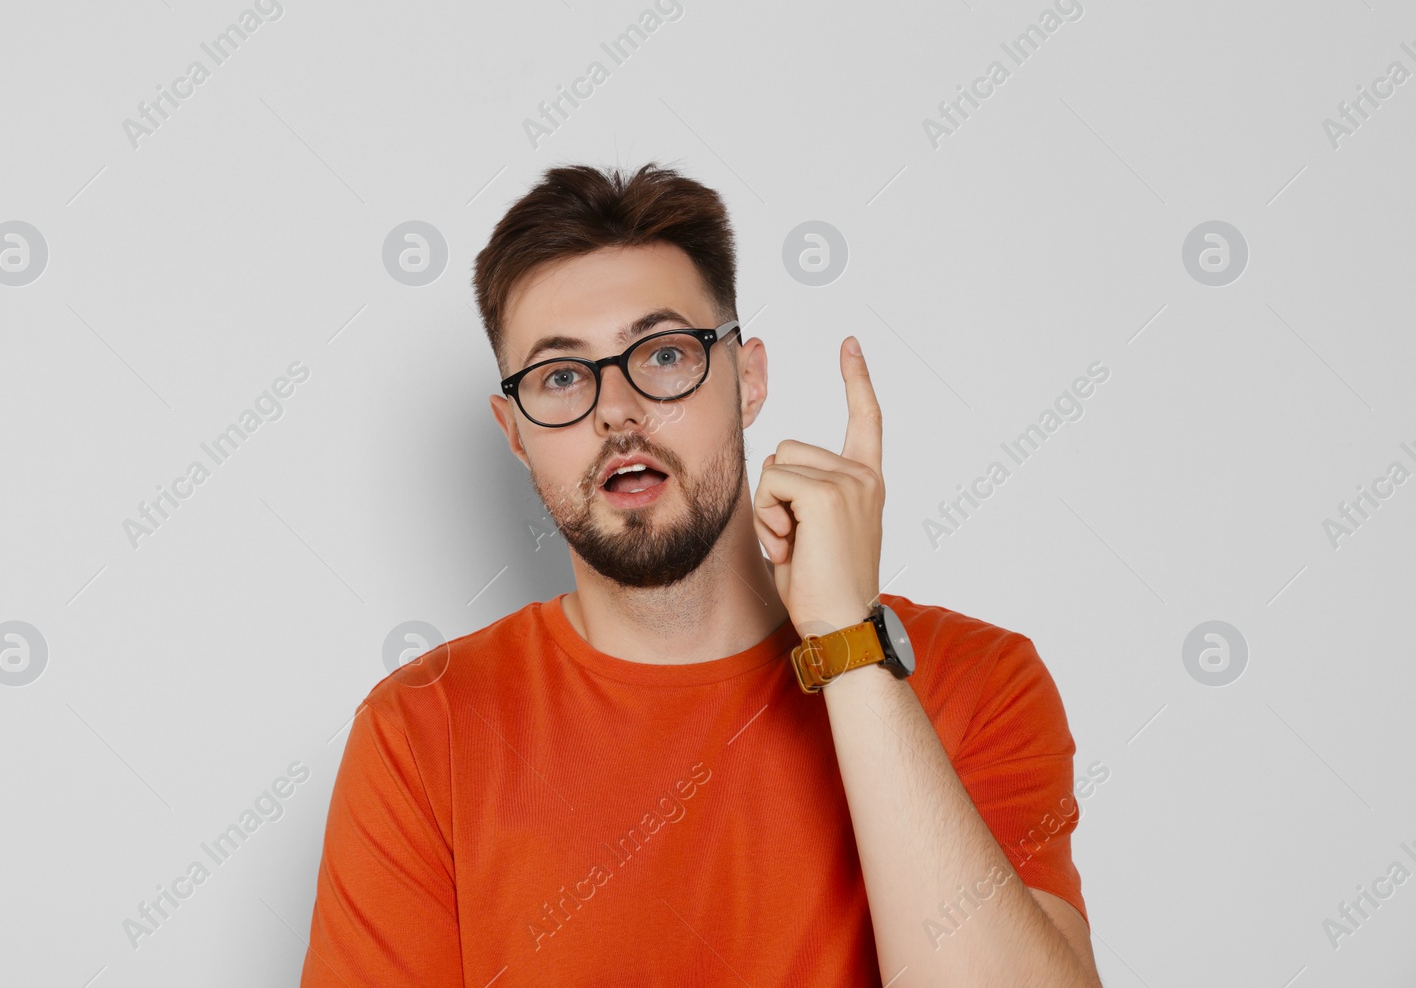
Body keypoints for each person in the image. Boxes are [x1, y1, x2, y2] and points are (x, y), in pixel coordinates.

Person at [299, 163, 1101, 987]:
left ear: (747, 379)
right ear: (514, 429)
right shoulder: (423, 733)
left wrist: (852, 648)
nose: (618, 410)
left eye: (665, 354)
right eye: (563, 376)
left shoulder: (976, 679)